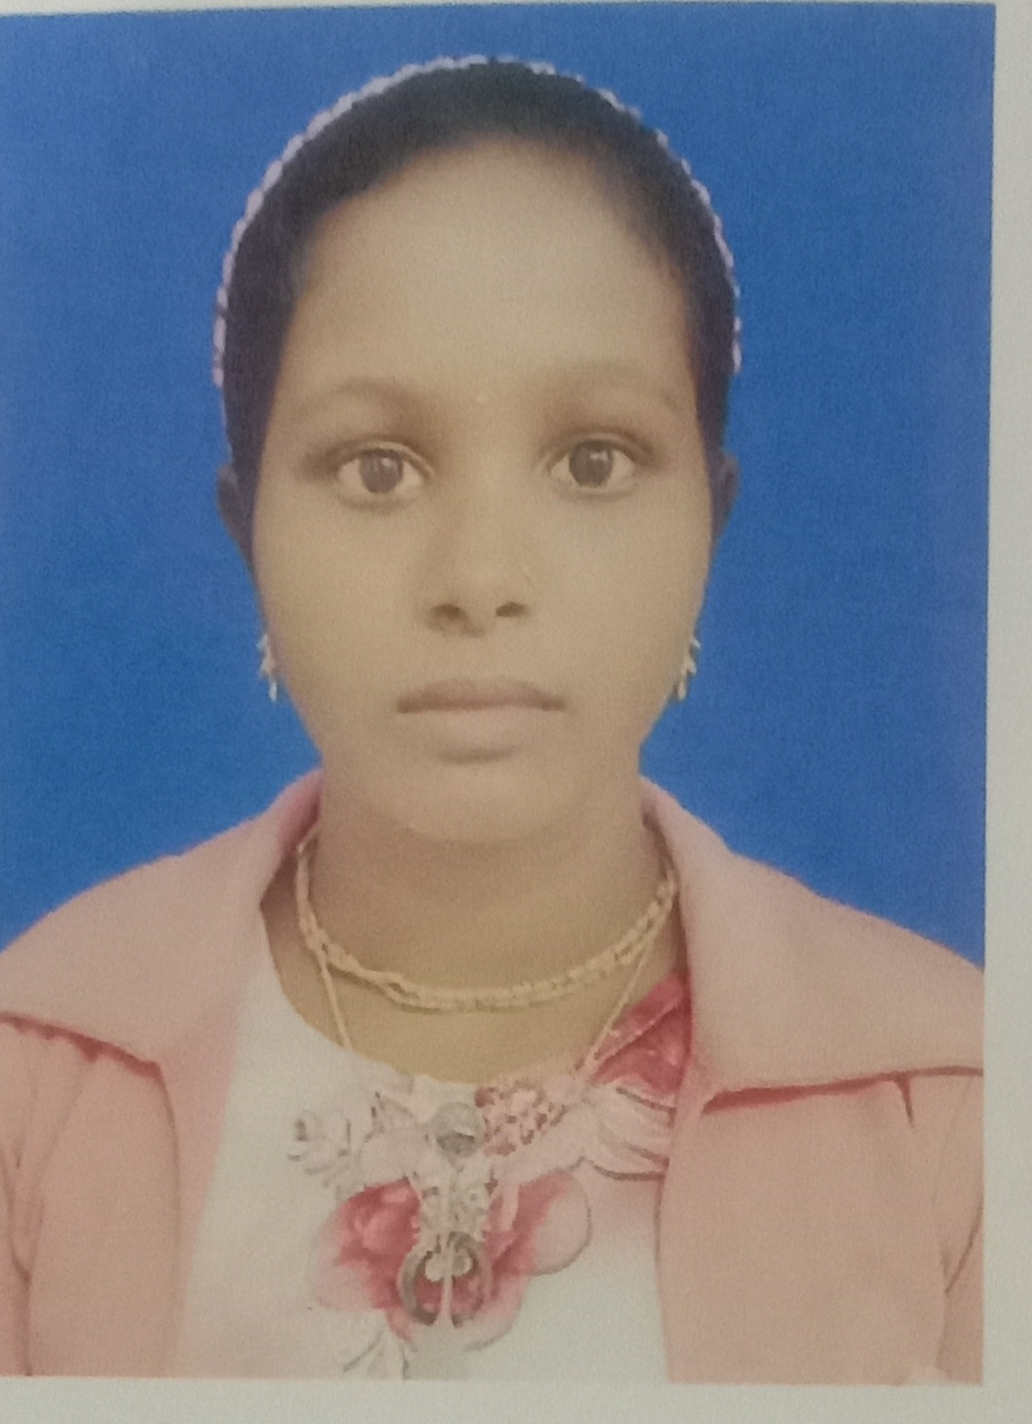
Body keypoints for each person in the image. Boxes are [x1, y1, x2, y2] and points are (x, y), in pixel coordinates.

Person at [0, 58, 981, 1382]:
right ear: (248, 535)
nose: (479, 578)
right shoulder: (36, 1069)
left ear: (710, 524)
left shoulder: (954, 1106)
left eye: (593, 461)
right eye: (378, 468)